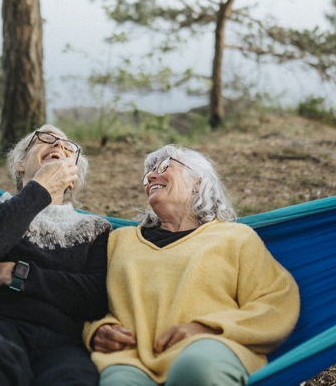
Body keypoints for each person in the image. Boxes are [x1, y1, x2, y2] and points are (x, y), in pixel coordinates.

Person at [84, 144, 300, 386]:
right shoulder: (118, 241)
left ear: (198, 181)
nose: (151, 176)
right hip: (132, 360)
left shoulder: (235, 237)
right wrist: (97, 330)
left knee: (195, 368)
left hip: (210, 350)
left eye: (164, 167)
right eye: (148, 174)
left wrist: (208, 329)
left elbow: (277, 301)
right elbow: (86, 301)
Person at [0, 124, 112, 386]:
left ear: (72, 177)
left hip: (64, 343)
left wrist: (11, 273)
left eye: (68, 146)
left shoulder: (94, 230)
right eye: (46, 139)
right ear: (20, 163)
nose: (58, 146)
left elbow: (93, 297)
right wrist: (41, 186)